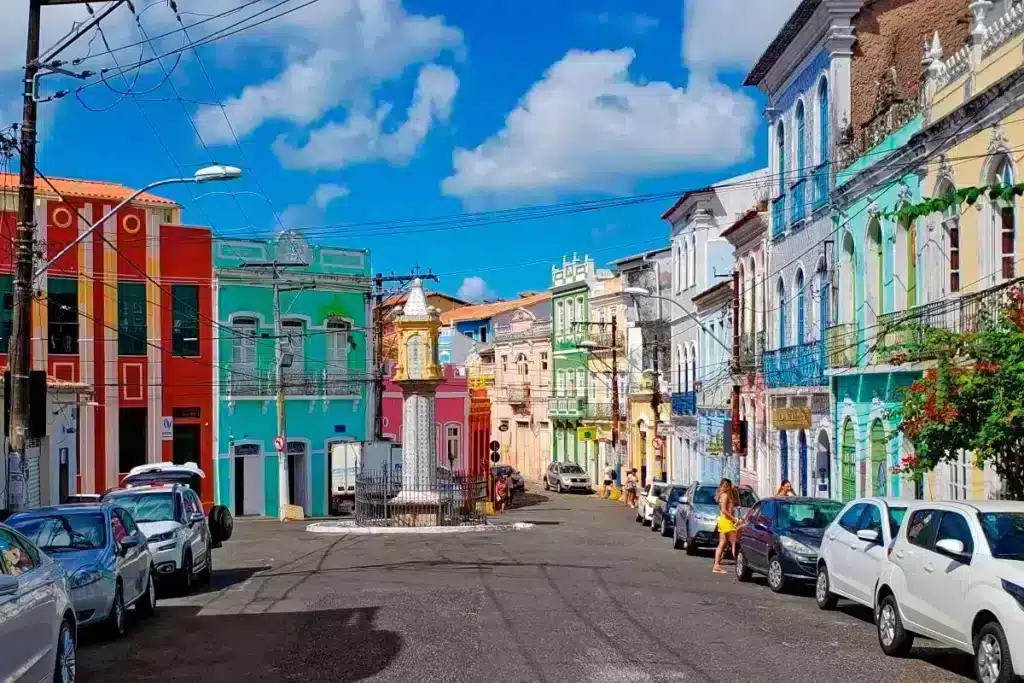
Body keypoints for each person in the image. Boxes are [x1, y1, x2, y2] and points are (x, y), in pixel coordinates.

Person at [712, 478, 741, 574]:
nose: (729, 487)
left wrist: (735, 490)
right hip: (726, 522)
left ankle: (716, 565)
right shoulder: (724, 496)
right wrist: (734, 519)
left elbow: (737, 502)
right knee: (734, 543)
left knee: (723, 544)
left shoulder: (728, 494)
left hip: (725, 521)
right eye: (728, 485)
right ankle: (738, 565)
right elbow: (724, 510)